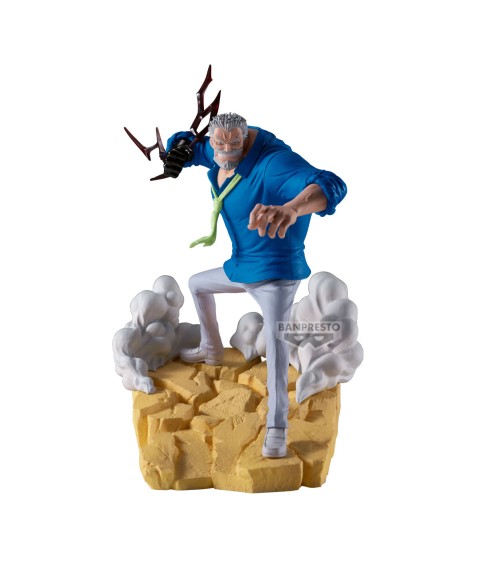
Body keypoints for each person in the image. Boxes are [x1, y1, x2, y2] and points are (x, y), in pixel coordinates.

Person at [164, 113, 347, 458]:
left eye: (233, 144)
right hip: (242, 266)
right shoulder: (221, 152)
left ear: (245, 140)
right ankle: (210, 348)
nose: (224, 150)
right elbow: (194, 149)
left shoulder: (274, 165)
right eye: (219, 144)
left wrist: (292, 208)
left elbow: (330, 184)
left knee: (276, 350)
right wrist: (177, 149)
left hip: (275, 276)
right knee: (197, 285)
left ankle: (277, 429)